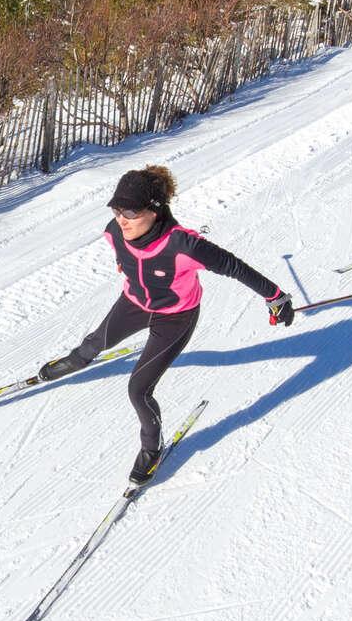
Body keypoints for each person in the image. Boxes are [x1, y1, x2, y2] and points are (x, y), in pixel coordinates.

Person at [38, 165, 294, 485]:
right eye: (117, 209)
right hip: (134, 303)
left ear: (155, 211)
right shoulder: (114, 231)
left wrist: (275, 297)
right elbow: (123, 252)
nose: (121, 219)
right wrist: (126, 264)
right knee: (96, 341)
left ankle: (152, 448)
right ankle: (76, 361)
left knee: (138, 390)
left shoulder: (184, 246)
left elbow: (235, 267)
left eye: (131, 211)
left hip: (176, 316)